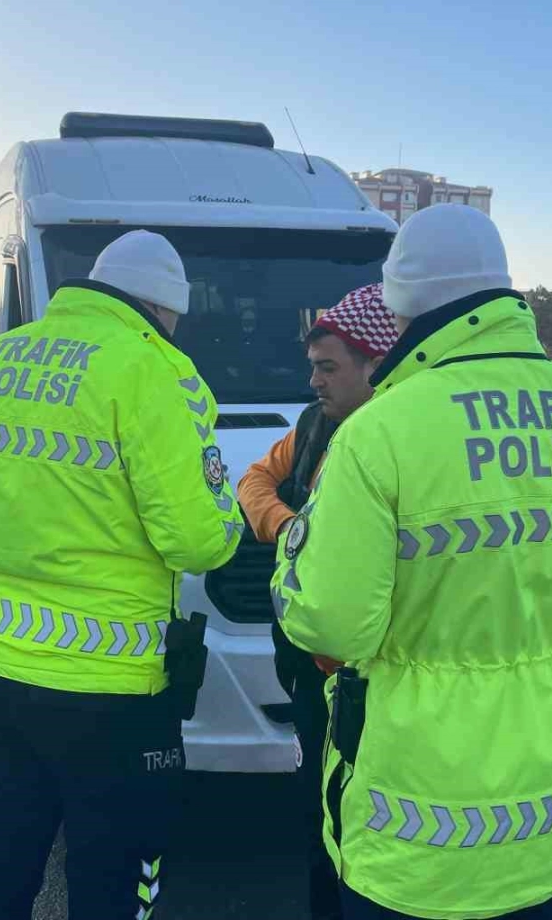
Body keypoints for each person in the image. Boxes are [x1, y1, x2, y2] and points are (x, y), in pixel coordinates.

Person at [271, 204, 552, 920]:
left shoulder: (380, 432)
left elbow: (333, 625)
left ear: (400, 306)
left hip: (413, 828)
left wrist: (291, 561)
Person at [0, 230, 243, 920]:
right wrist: (231, 514)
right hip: (115, 694)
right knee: (117, 883)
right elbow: (196, 542)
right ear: (163, 308)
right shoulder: (153, 371)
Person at [236, 283, 399, 920]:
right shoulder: (313, 425)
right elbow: (254, 479)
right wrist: (287, 526)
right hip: (312, 667)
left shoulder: (398, 438)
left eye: (327, 368)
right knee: (318, 810)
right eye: (312, 366)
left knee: (371, 818)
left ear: (376, 364)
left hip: (374, 675)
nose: (314, 382)